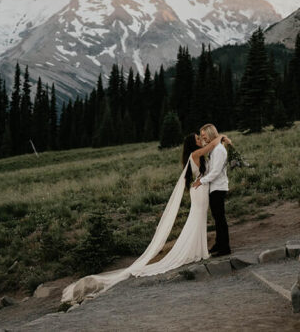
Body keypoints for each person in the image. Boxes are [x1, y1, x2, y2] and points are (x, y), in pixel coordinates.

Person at [61, 131, 229, 304]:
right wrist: (221, 137)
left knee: (198, 220)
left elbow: (211, 153)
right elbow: (210, 146)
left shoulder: (198, 155)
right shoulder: (195, 154)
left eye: (201, 138)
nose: (201, 140)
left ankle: (200, 249)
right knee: (196, 219)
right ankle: (194, 250)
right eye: (198, 139)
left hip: (201, 190)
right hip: (199, 191)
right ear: (192, 144)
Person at [193, 123, 230, 256]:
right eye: (201, 136)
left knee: (220, 218)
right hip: (214, 187)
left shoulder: (219, 149)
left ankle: (225, 248)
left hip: (219, 187)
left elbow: (215, 172)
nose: (203, 138)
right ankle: (218, 244)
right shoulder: (214, 149)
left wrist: (200, 182)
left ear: (210, 133)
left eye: (204, 135)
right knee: (217, 217)